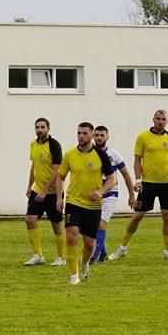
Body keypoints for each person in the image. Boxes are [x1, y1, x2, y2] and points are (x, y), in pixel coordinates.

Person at [108, 109, 168, 261]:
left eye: (163, 119)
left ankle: (167, 251)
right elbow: (137, 160)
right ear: (153, 119)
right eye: (158, 118)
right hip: (148, 183)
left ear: (167, 121)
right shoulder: (143, 137)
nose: (160, 121)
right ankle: (123, 248)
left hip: (167, 183)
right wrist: (138, 179)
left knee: (167, 216)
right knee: (137, 216)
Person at [55, 123, 116, 285]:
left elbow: (112, 179)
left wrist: (100, 191)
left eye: (85, 133)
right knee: (72, 235)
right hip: (74, 202)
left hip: (93, 206)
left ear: (91, 135)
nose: (81, 136)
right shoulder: (69, 155)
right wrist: (60, 198)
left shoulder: (101, 155)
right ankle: (73, 275)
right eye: (79, 133)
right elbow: (60, 177)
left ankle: (85, 262)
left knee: (89, 244)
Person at [23, 117, 66, 266]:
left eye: (42, 127)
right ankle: (38, 255)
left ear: (48, 128)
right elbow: (34, 166)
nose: (39, 130)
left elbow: (57, 172)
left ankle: (61, 257)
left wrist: (45, 191)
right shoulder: (33, 144)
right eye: (37, 127)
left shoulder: (54, 145)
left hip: (53, 192)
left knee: (56, 225)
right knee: (30, 219)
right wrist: (30, 186)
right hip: (37, 190)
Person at [91, 125, 135, 264]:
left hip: (110, 193)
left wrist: (131, 195)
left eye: (102, 135)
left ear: (107, 137)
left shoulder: (114, 155)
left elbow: (126, 175)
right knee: (92, 226)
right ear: (93, 136)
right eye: (96, 135)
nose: (99, 138)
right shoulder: (89, 154)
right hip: (93, 194)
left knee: (101, 224)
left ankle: (95, 257)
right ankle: (103, 253)